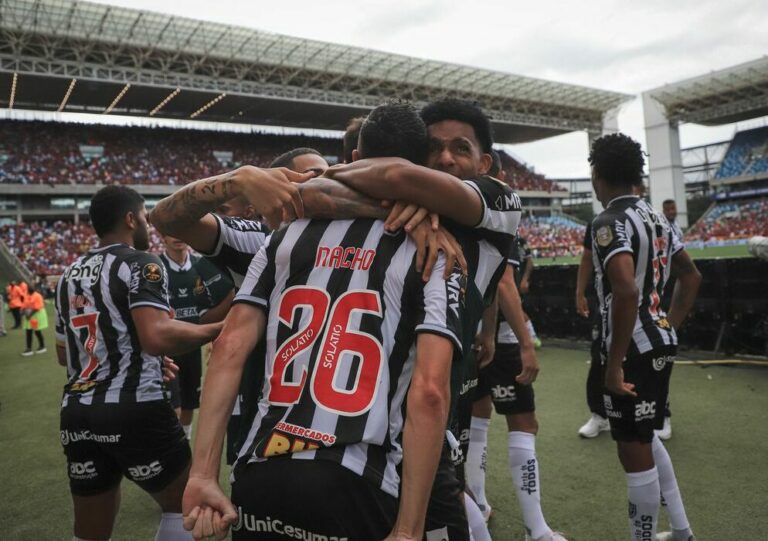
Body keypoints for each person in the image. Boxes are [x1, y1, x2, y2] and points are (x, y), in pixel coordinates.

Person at [182, 102, 463, 540]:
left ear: (352, 160)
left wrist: (202, 473)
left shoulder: (285, 236)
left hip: (261, 472)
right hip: (356, 481)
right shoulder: (432, 249)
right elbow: (428, 394)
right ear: (423, 170)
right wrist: (408, 530)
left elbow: (228, 347)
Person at [324, 98, 529, 541]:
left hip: (416, 426)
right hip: (363, 430)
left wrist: (390, 190)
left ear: (484, 162)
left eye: (461, 148)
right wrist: (393, 203)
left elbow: (395, 177)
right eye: (433, 149)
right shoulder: (399, 209)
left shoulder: (500, 200)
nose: (446, 159)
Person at [55, 185, 224, 541]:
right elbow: (157, 336)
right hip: (134, 406)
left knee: (89, 531)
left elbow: (64, 354)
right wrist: (222, 328)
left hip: (76, 412)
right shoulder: (141, 262)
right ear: (131, 219)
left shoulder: (68, 275)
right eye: (146, 216)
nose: (149, 225)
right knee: (185, 506)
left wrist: (135, 355)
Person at [589, 133, 701, 541]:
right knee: (646, 436)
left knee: (632, 449)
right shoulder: (657, 218)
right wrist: (666, 324)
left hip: (632, 348)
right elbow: (691, 276)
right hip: (658, 341)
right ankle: (683, 531)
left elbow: (626, 290)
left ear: (598, 175)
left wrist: (615, 362)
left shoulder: (607, 222)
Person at [159, 234, 232, 439]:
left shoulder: (202, 266)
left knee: (190, 403)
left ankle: (185, 440)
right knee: (175, 407)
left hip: (193, 346)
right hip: (169, 349)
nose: (177, 237)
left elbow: (213, 307)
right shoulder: (157, 267)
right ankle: (175, 445)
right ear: (163, 237)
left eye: (181, 230)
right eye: (171, 232)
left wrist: (212, 339)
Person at [575, 220, 611, 438]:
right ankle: (600, 415)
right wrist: (579, 292)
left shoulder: (648, 217)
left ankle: (658, 413)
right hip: (606, 302)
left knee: (642, 358)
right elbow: (588, 256)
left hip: (642, 301)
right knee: (599, 356)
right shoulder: (598, 223)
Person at [21, 284, 47, 355]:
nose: (30, 288)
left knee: (37, 331)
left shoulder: (37, 296)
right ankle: (29, 349)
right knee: (28, 331)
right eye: (29, 287)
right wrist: (23, 311)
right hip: (29, 316)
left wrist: (29, 315)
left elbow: (37, 307)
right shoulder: (26, 295)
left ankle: (42, 346)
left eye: (31, 287)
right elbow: (24, 305)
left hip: (36, 316)